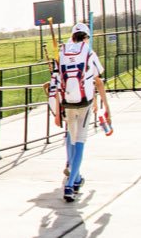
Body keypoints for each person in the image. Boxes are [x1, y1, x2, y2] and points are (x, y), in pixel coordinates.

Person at [53, 22, 107, 202]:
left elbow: (56, 78)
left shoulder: (62, 52)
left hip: (68, 103)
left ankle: (76, 177)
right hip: (84, 103)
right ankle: (70, 185)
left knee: (71, 138)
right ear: (86, 37)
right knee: (80, 142)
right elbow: (99, 75)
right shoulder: (89, 53)